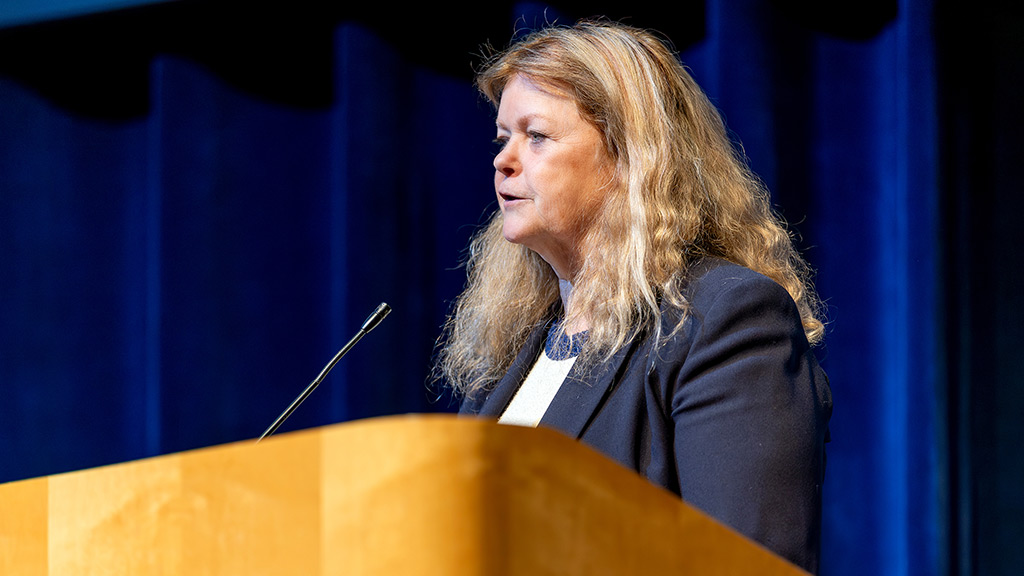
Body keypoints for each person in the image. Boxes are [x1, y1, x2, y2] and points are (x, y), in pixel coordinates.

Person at [435, 20, 832, 574]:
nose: (503, 160)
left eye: (537, 136)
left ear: (628, 157)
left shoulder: (726, 321)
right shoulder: (512, 359)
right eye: (503, 138)